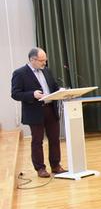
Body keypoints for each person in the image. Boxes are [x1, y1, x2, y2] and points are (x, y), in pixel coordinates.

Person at [11, 47, 65, 178]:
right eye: (41, 61)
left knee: (54, 139)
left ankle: (56, 166)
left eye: (45, 60)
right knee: (37, 141)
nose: (44, 63)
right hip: (34, 112)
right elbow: (15, 94)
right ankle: (40, 168)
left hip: (50, 109)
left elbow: (54, 87)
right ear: (32, 60)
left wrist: (62, 90)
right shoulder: (20, 73)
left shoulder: (47, 71)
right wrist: (32, 94)